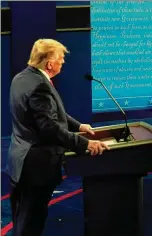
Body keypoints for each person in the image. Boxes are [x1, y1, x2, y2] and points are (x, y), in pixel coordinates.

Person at [7, 38, 110, 236]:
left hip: (19, 161)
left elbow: (51, 113)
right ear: (49, 63)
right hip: (36, 166)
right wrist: (85, 144)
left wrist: (78, 126)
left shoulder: (22, 78)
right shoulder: (40, 87)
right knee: (31, 223)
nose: (63, 61)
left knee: (23, 218)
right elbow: (50, 128)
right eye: (60, 58)